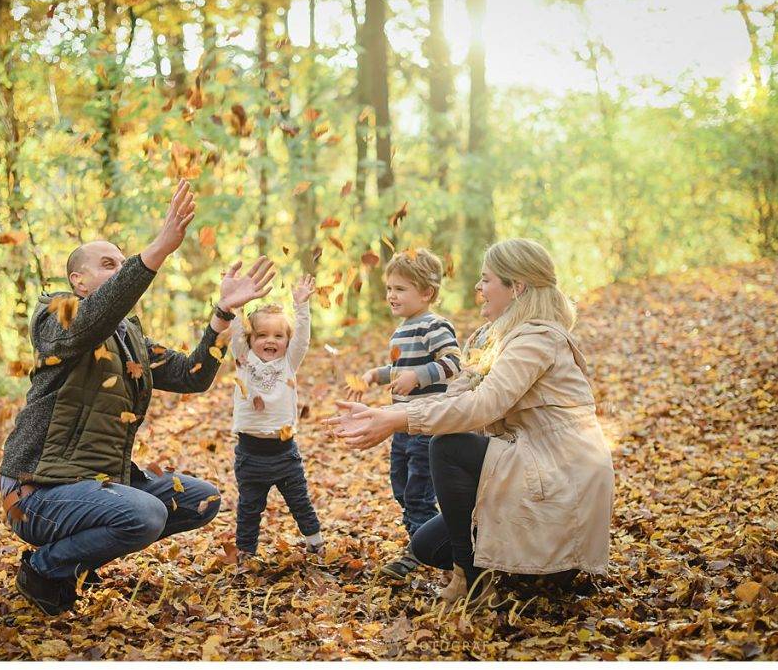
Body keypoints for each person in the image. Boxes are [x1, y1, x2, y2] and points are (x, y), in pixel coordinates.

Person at [0, 180, 276, 615]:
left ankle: (78, 560)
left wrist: (222, 315)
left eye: (120, 263)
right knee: (145, 514)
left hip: (100, 485)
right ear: (79, 280)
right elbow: (90, 321)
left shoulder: (130, 338)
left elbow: (191, 376)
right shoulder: (55, 314)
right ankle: (44, 568)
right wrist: (157, 251)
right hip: (37, 492)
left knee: (200, 499)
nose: (119, 269)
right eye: (108, 264)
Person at [328, 238, 615, 604]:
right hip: (527, 465)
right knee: (428, 546)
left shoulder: (537, 339)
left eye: (486, 280)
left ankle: (472, 579)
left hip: (559, 476)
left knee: (449, 446)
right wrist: (391, 413)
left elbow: (484, 404)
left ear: (517, 287)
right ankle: (510, 564)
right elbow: (457, 395)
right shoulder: (495, 338)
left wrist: (400, 419)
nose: (478, 289)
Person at [347, 248, 462, 582]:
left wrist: (421, 376)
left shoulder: (434, 326)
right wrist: (374, 375)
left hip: (426, 424)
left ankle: (419, 552)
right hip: (401, 425)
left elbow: (455, 362)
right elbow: (400, 369)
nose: (391, 295)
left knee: (418, 492)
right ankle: (433, 539)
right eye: (389, 288)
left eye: (400, 289)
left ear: (426, 292)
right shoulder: (402, 330)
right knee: (401, 486)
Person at [228, 275, 323, 560]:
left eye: (278, 336)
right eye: (262, 335)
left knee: (300, 503)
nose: (270, 340)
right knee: (248, 508)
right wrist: (236, 304)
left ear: (286, 341)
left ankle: (315, 543)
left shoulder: (288, 364)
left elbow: (303, 337)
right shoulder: (243, 358)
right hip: (250, 453)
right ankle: (246, 554)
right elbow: (235, 330)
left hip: (284, 453)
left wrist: (301, 305)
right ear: (250, 339)